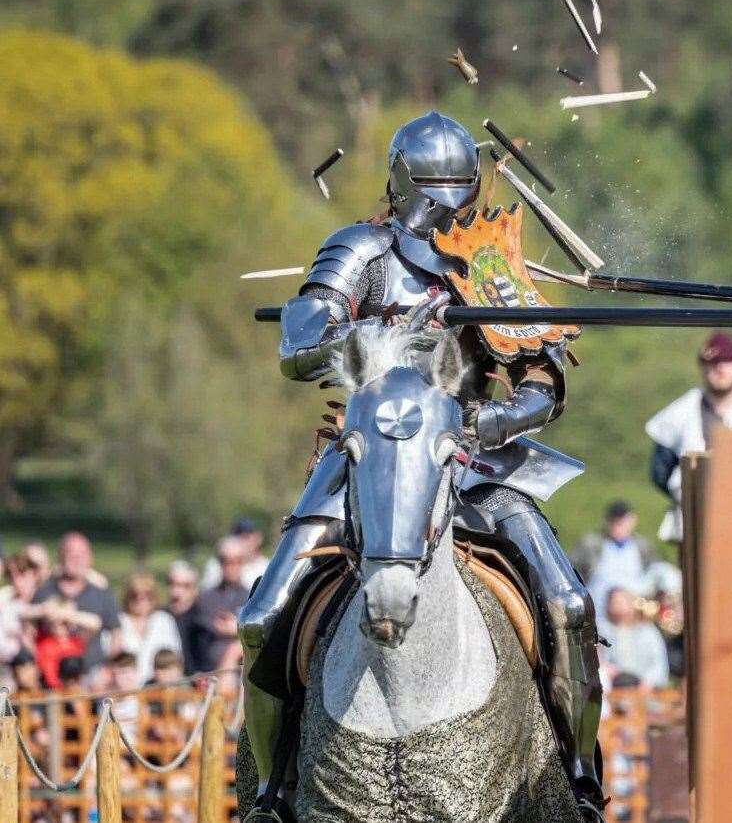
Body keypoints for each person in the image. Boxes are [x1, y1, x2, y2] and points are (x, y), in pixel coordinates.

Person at [246, 112, 604, 817]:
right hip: (371, 462)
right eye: (432, 185)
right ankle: (274, 787)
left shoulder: (490, 262)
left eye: (454, 186)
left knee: (566, 603)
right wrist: (360, 332)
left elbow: (543, 380)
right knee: (262, 614)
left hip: (473, 462)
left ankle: (577, 771)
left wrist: (498, 416)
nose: (441, 200)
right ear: (403, 180)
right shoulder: (362, 249)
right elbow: (299, 342)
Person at [646, 332, 732, 543]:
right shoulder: (683, 411)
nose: (719, 369)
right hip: (693, 527)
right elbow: (660, 471)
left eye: (726, 361)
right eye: (712, 363)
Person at [31, 533, 120, 676]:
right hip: (49, 678)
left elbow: (116, 635)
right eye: (71, 553)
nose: (76, 558)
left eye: (82, 554)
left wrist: (108, 670)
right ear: (60, 556)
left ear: (90, 557)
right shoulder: (43, 592)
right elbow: (30, 632)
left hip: (93, 677)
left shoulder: (102, 593)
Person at [571, 501, 657, 630]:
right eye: (614, 521)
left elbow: (654, 574)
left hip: (634, 619)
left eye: (622, 521)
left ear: (632, 520)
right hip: (598, 620)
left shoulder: (642, 547)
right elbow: (571, 572)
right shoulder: (591, 544)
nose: (618, 525)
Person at [190, 539, 248, 674]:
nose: (231, 566)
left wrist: (236, 629)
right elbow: (210, 626)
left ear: (243, 562)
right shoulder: (205, 598)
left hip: (241, 676)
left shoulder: (252, 597)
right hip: (209, 672)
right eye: (225, 560)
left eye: (236, 560)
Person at [118, 573, 182, 684]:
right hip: (125, 691)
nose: (140, 598)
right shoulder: (118, 621)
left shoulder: (164, 620)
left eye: (147, 594)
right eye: (135, 594)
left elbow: (175, 659)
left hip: (159, 689)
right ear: (128, 596)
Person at [601, 588, 670, 689]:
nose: (617, 605)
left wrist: (647, 682)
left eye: (621, 601)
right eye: (613, 601)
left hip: (645, 691)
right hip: (613, 689)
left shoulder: (648, 631)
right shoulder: (602, 631)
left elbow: (659, 665)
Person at [201, 518, 269, 591]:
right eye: (239, 536)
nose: (244, 541)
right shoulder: (216, 565)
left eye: (247, 537)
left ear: (258, 538)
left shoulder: (266, 566)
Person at [163, 561, 198, 673]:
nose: (176, 592)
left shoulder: (202, 622)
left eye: (185, 586)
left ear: (195, 589)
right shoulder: (159, 618)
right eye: (172, 584)